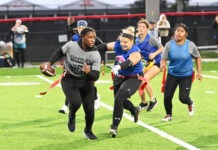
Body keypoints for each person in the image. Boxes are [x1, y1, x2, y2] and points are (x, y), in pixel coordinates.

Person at [43, 27, 101, 140]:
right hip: (69, 79)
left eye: (94, 37)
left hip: (86, 82)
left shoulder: (95, 54)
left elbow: (96, 76)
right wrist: (50, 63)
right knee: (75, 103)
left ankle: (88, 131)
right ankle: (72, 115)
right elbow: (59, 52)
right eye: (90, 37)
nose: (93, 40)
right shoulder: (71, 45)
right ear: (82, 37)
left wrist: (89, 72)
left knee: (90, 110)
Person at [98, 26, 143, 137]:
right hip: (120, 76)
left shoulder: (135, 51)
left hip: (133, 77)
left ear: (132, 42)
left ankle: (114, 127)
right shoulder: (118, 45)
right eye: (121, 41)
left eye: (126, 42)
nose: (123, 44)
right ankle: (134, 110)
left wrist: (119, 67)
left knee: (119, 97)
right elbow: (103, 47)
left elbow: (129, 62)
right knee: (120, 101)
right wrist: (88, 50)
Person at [160, 23, 202, 122]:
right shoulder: (169, 45)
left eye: (181, 31)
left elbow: (198, 57)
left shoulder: (190, 45)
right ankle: (168, 114)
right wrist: (162, 64)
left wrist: (199, 72)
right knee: (167, 97)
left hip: (186, 75)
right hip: (172, 74)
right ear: (174, 32)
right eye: (177, 30)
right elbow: (164, 58)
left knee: (183, 98)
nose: (179, 33)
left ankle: (190, 103)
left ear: (186, 34)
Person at [59, 20, 103, 114]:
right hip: (75, 64)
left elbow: (102, 46)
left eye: (83, 28)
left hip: (89, 64)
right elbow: (68, 50)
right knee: (71, 83)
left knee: (90, 84)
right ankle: (66, 106)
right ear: (77, 29)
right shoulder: (74, 38)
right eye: (79, 28)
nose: (81, 29)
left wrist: (98, 59)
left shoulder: (92, 37)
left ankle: (96, 98)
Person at [135, 19, 164, 111]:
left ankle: (153, 100)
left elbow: (162, 48)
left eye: (143, 27)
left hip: (157, 62)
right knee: (138, 81)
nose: (141, 28)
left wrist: (154, 54)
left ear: (147, 29)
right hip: (149, 64)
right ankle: (144, 103)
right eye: (140, 27)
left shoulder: (151, 38)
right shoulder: (136, 41)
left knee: (144, 79)